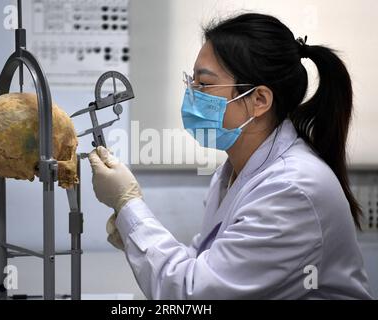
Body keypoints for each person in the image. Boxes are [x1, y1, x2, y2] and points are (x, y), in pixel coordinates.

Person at [89, 13, 372, 299]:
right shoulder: (233, 172)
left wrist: (128, 206)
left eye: (205, 84)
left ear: (259, 100)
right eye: (191, 82)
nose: (191, 95)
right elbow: (203, 262)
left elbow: (195, 294)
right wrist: (131, 232)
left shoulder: (292, 190)